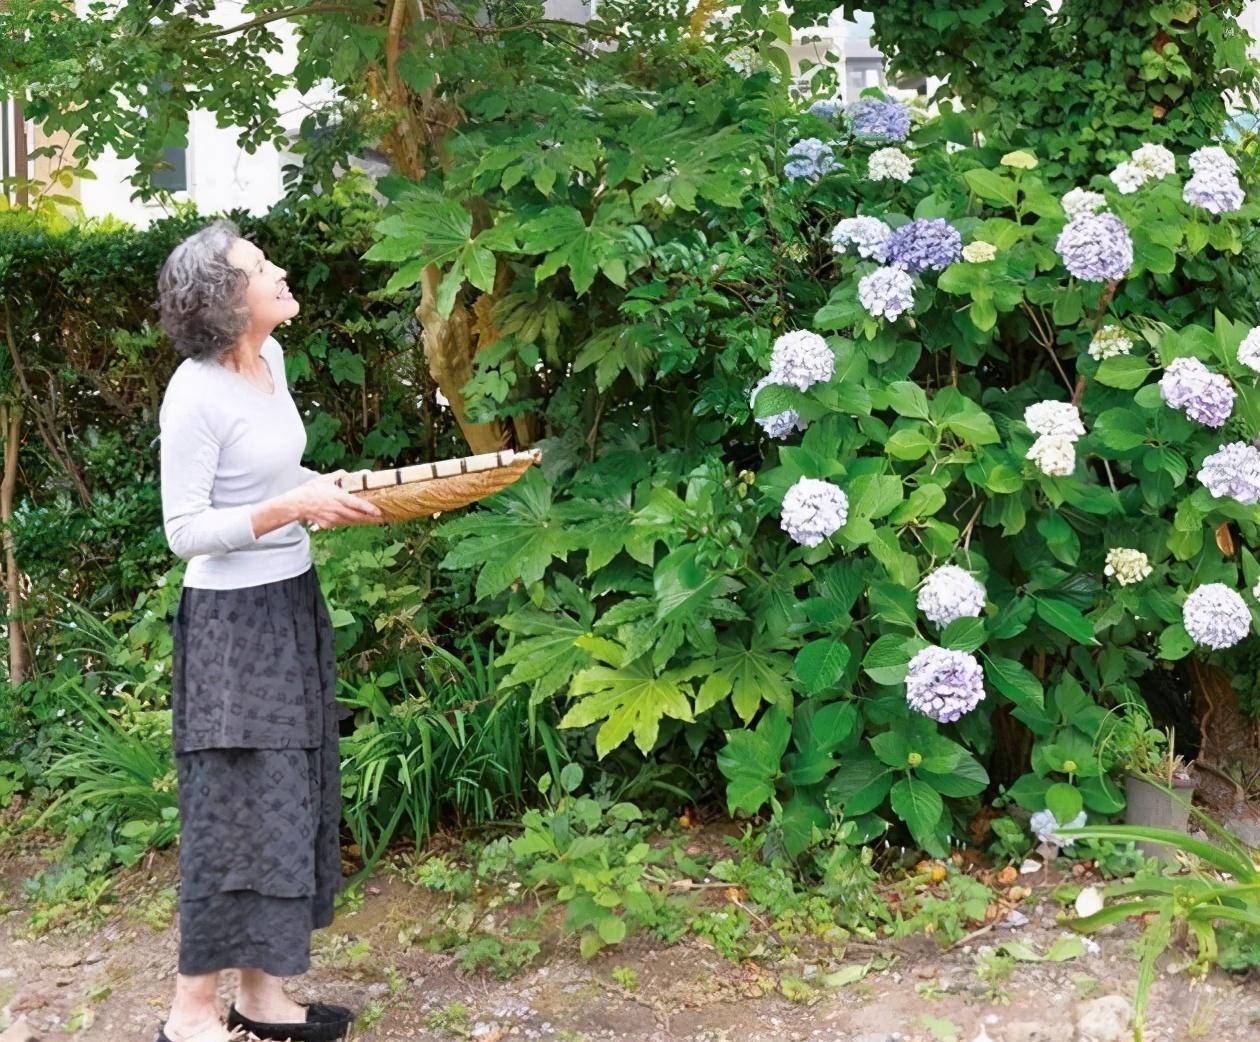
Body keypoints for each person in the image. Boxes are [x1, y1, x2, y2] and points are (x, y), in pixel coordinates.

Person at [154, 218, 383, 1042]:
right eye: (260, 266)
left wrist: (328, 490)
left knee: (288, 799)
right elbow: (184, 529)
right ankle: (189, 1014)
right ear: (225, 300)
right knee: (235, 811)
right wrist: (292, 507)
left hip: (292, 600)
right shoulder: (194, 392)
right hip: (230, 629)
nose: (280, 270)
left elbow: (275, 477)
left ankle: (260, 996)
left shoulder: (271, 361)